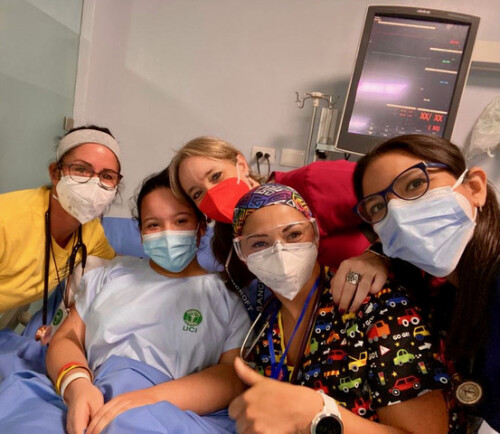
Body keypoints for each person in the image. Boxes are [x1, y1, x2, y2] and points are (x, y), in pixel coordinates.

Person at [0, 170, 250, 434]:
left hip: (169, 409)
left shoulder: (225, 298)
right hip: (87, 392)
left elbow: (232, 376)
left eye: (180, 220)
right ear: (141, 233)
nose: (167, 233)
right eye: (153, 225)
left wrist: (148, 399)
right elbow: (67, 338)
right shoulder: (111, 275)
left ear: (201, 227)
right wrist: (77, 386)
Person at [228, 183, 449, 433]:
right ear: (241, 253)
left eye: (293, 235)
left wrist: (317, 413)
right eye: (259, 244)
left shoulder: (374, 302)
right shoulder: (265, 325)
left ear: (315, 233)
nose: (279, 251)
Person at [351, 134, 500, 432]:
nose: (399, 215)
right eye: (379, 207)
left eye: (415, 184)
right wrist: (374, 257)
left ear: (474, 187)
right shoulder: (452, 296)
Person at [168, 136, 388, 315]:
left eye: (216, 176)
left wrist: (377, 256)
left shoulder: (312, 183)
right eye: (198, 193)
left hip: (376, 307)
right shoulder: (230, 248)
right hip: (313, 330)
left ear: (241, 165)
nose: (212, 194)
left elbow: (400, 197)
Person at [0, 125, 121, 331]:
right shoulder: (7, 221)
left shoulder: (91, 233)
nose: (93, 183)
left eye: (107, 176)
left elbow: (112, 276)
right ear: (55, 173)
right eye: (81, 169)